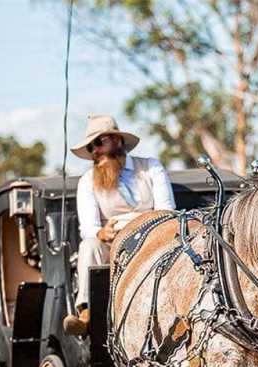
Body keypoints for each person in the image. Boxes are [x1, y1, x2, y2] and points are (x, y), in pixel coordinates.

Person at [63, 114, 176, 336]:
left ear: (118, 141)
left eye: (98, 142)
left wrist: (143, 229)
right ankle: (86, 314)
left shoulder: (150, 167)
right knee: (89, 244)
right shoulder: (87, 181)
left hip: (153, 236)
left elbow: (167, 211)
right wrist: (101, 232)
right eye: (91, 147)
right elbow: (89, 227)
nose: (94, 151)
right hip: (112, 243)